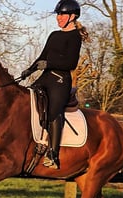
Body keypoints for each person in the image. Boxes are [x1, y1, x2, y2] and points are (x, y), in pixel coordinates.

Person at [21, 0, 88, 169]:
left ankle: (53, 154)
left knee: (52, 113)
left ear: (72, 17)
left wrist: (48, 63)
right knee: (26, 102)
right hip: (45, 77)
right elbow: (42, 57)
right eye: (58, 14)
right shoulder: (54, 35)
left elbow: (70, 63)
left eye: (62, 14)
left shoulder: (75, 37)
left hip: (60, 81)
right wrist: (29, 71)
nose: (58, 18)